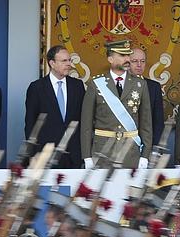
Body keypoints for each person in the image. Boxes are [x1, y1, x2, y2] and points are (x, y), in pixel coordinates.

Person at [80, 40, 152, 169]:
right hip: (102, 152)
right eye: (122, 55)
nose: (127, 59)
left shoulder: (140, 84)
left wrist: (145, 155)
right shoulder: (96, 84)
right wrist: (87, 156)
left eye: (128, 55)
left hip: (131, 152)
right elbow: (86, 124)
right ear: (110, 59)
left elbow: (146, 124)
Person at [25, 45, 85, 168]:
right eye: (64, 61)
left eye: (69, 60)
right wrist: (32, 154)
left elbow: (83, 120)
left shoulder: (77, 86)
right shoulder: (37, 88)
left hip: (73, 155)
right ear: (52, 63)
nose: (69, 64)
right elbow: (30, 123)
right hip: (45, 154)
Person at [130, 48, 165, 146]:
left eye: (142, 61)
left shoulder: (154, 87)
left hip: (146, 143)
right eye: (134, 61)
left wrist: (153, 147)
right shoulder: (119, 85)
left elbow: (158, 122)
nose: (139, 65)